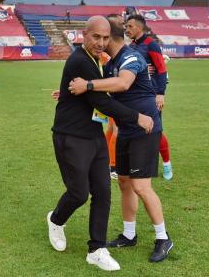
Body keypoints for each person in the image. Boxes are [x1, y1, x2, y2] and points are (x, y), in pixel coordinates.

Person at [49, 15, 154, 271]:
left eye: (106, 38)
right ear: (84, 35)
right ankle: (55, 219)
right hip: (71, 136)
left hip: (95, 134)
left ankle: (97, 249)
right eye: (96, 36)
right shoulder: (79, 60)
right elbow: (101, 102)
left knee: (103, 193)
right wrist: (137, 117)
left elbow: (100, 93)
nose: (101, 42)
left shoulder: (97, 60)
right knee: (78, 193)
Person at [69, 16, 173, 263]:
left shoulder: (131, 57)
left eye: (104, 38)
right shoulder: (112, 61)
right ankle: (128, 235)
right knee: (125, 183)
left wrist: (88, 85)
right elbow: (107, 94)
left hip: (144, 130)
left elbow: (124, 84)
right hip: (127, 130)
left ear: (111, 38)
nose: (100, 42)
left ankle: (163, 238)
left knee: (141, 186)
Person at [125, 14, 173, 180]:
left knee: (155, 131)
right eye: (126, 26)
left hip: (151, 96)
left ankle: (166, 164)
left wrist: (160, 93)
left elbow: (161, 69)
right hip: (134, 95)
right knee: (137, 129)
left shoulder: (151, 44)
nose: (127, 29)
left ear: (139, 27)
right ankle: (141, 165)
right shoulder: (131, 46)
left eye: (130, 26)